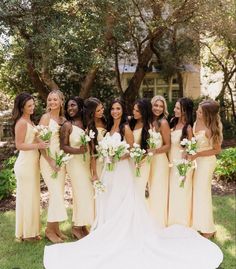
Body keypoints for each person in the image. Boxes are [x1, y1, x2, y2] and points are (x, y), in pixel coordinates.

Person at [44, 98, 223, 269]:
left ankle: (124, 231)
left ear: (123, 111)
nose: (115, 111)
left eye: (118, 109)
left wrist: (116, 155)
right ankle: (108, 230)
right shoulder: (108, 127)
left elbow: (130, 149)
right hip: (108, 169)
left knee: (124, 199)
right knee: (109, 199)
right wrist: (106, 156)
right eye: (112, 108)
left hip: (121, 169)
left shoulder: (125, 127)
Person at [13, 92, 48, 241]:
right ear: (22, 108)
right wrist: (38, 145)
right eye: (29, 106)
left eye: (33, 104)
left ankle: (31, 231)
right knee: (27, 198)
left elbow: (35, 138)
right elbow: (19, 145)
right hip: (25, 165)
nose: (32, 108)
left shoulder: (30, 122)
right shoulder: (21, 123)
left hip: (32, 164)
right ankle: (27, 234)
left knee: (32, 197)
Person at [60, 96, 94, 239]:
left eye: (73, 105)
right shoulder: (68, 125)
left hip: (85, 164)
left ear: (80, 107)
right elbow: (63, 146)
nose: (70, 108)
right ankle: (76, 227)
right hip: (74, 163)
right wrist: (78, 151)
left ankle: (82, 225)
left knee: (87, 194)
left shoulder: (86, 124)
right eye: (68, 106)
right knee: (81, 193)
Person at [189, 100, 223, 239]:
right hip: (197, 161)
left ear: (207, 114)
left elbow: (216, 150)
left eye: (201, 112)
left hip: (207, 162)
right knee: (196, 193)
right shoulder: (196, 123)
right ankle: (198, 224)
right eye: (198, 110)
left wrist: (197, 154)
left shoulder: (212, 128)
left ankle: (209, 229)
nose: (197, 112)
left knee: (202, 193)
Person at [39, 89, 67, 243]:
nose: (52, 102)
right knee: (55, 193)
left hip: (60, 160)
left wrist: (61, 159)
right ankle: (49, 230)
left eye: (55, 100)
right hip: (47, 160)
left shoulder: (63, 119)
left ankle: (56, 229)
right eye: (49, 100)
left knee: (59, 194)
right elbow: (40, 142)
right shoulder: (45, 117)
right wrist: (50, 160)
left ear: (61, 101)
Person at [168, 97, 194, 227]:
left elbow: (191, 149)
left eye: (178, 108)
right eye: (175, 107)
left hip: (181, 164)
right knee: (172, 191)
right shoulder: (172, 122)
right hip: (170, 163)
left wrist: (185, 164)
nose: (174, 109)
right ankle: (171, 220)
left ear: (185, 111)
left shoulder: (188, 128)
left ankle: (181, 222)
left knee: (181, 191)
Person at [148, 95, 170, 227]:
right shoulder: (147, 121)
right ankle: (150, 220)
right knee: (151, 190)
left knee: (158, 191)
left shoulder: (163, 123)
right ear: (151, 106)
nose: (158, 108)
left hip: (160, 162)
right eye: (156, 105)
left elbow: (168, 145)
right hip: (149, 162)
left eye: (161, 106)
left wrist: (155, 151)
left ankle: (159, 223)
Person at [129, 98, 152, 200]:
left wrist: (139, 160)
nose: (134, 112)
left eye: (137, 111)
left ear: (144, 112)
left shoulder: (148, 127)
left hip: (142, 162)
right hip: (130, 161)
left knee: (138, 189)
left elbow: (148, 148)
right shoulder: (131, 123)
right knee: (130, 190)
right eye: (134, 109)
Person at [83, 97, 107, 181]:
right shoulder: (90, 128)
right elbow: (93, 153)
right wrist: (95, 173)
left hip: (109, 159)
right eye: (98, 110)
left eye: (102, 108)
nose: (101, 111)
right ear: (91, 113)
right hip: (99, 162)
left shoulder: (105, 120)